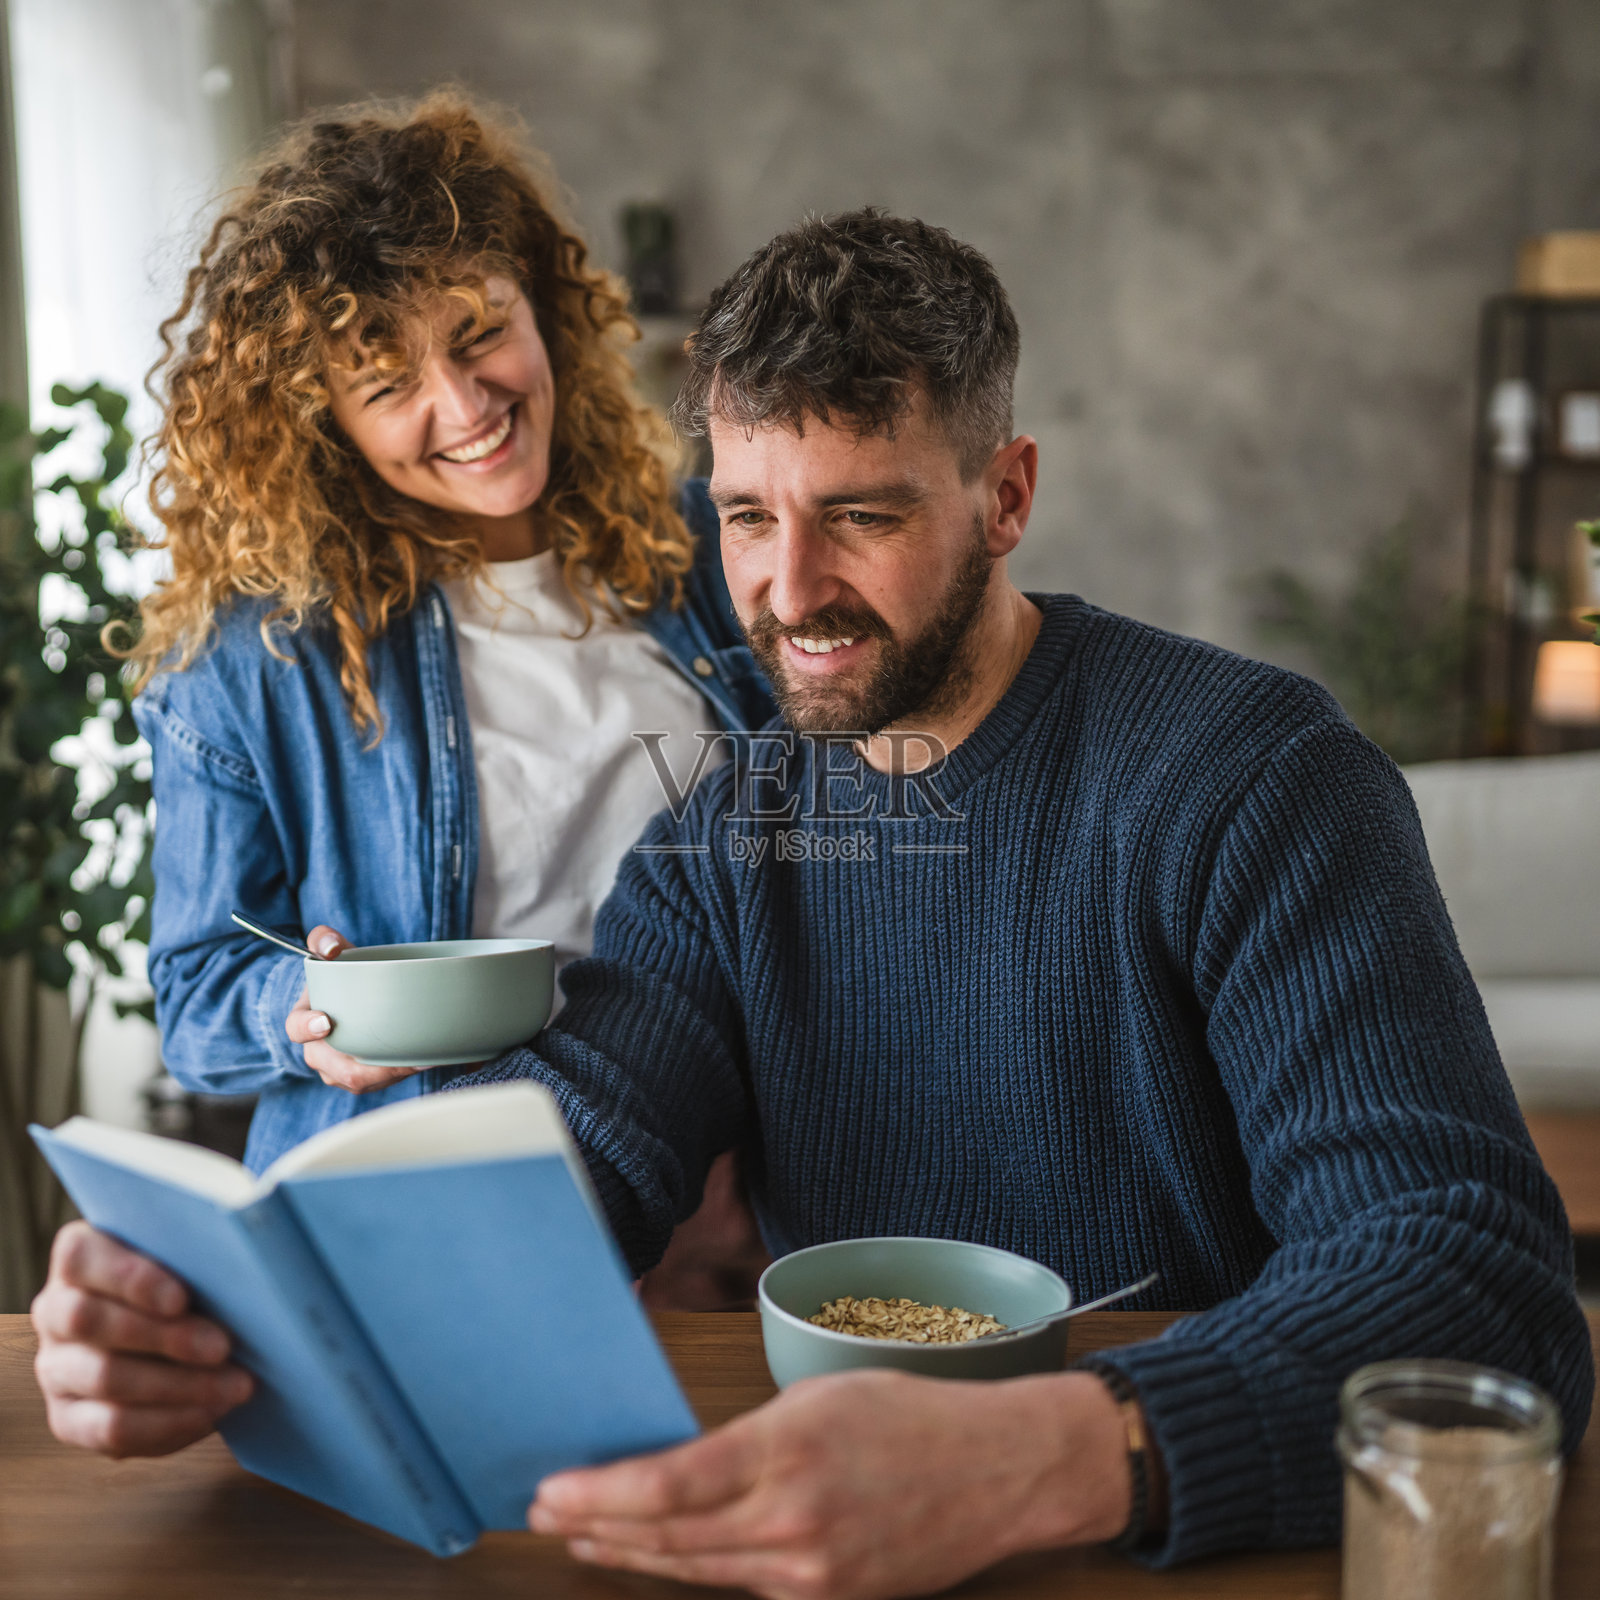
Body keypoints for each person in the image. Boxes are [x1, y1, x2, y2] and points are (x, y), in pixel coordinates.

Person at [34, 209, 1593, 1599]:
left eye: (863, 515)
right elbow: (566, 1147)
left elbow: (1476, 1283)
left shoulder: (1252, 777)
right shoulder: (731, 836)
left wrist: (1042, 1458)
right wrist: (230, 1314)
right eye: (745, 516)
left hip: (1186, 1542)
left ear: (1005, 494)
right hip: (835, 1548)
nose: (787, 592)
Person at [119, 94, 773, 1284]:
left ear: (543, 307)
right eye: (387, 384)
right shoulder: (258, 658)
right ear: (323, 421)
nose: (467, 406)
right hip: (430, 1222)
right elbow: (199, 998)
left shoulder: (706, 549)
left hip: (717, 1212)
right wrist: (306, 1009)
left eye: (479, 333)